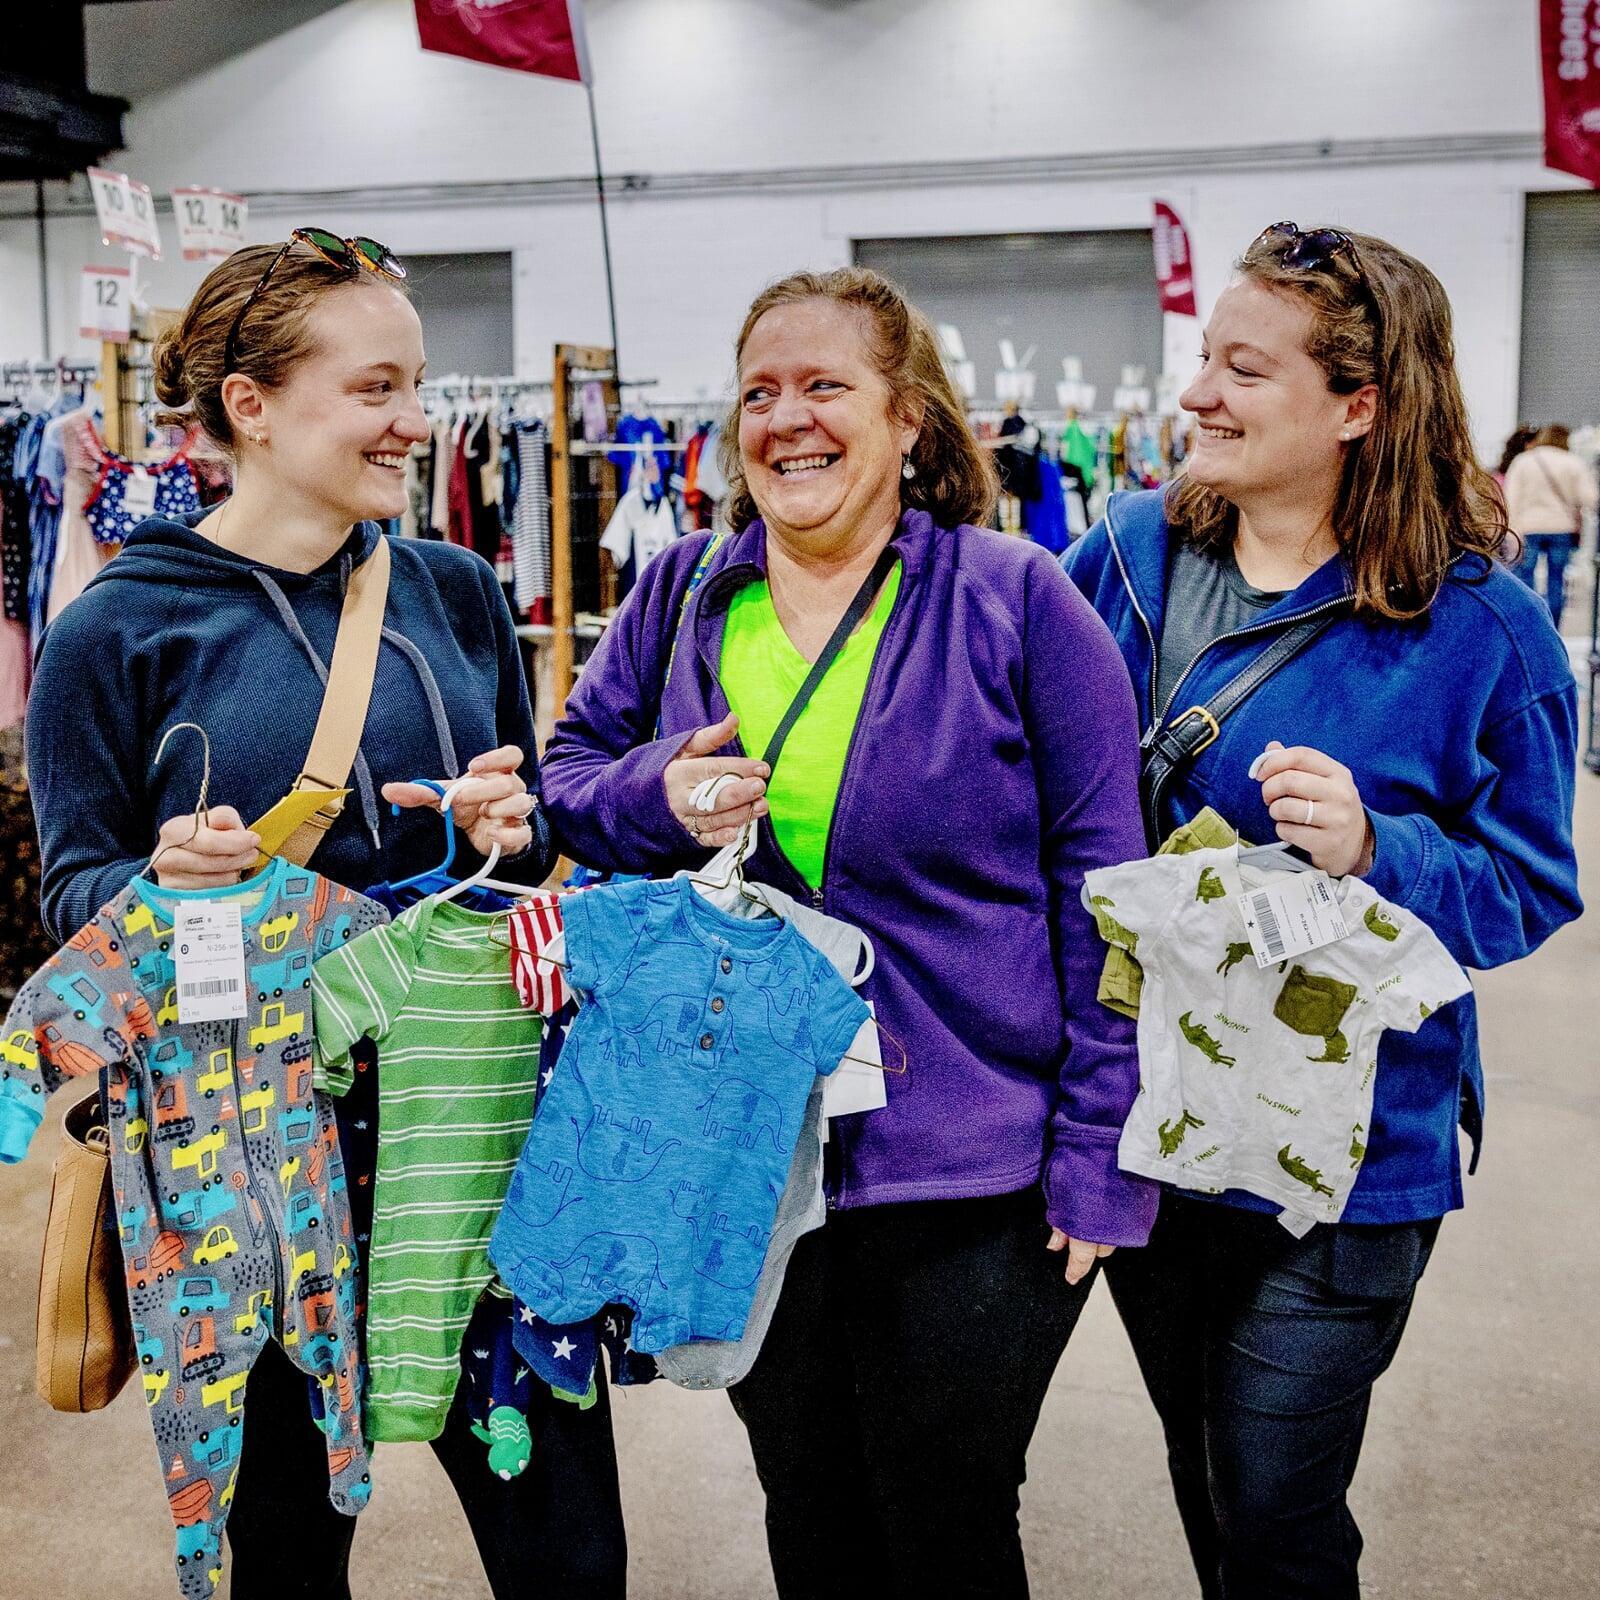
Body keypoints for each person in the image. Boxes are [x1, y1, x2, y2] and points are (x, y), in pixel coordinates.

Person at [539, 266, 1156, 1598]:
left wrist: (1104, 1153)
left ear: (910, 423)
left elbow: (1108, 894)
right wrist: (659, 790)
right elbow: (568, 778)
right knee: (806, 1500)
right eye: (759, 393)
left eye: (826, 386)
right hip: (746, 1152)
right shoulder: (686, 595)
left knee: (944, 1513)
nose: (787, 420)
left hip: (970, 1167)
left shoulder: (1017, 599)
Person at [24, 235, 625, 1600]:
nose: (416, 421)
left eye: (415, 384)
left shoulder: (460, 597)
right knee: (292, 1553)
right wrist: (160, 886)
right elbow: (71, 911)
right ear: (253, 407)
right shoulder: (112, 633)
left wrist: (513, 840)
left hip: (473, 1146)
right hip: (254, 1171)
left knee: (570, 1552)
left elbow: (529, 878)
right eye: (375, 389)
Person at [1063, 223, 1583, 1599]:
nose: (1198, 398)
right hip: (1157, 1115)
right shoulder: (1125, 560)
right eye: (1204, 364)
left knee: (1279, 1496)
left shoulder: (1481, 631)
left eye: (1244, 369)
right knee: (1208, 1469)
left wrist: (1377, 850)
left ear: (1359, 405)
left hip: (1351, 1157)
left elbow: (1533, 883)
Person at [1504, 422, 1597, 630]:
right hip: (1561, 528)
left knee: (1525, 580)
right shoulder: (1572, 462)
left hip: (1528, 528)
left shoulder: (1523, 461)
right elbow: (1590, 499)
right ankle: (1552, 629)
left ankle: (1529, 627)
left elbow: (1511, 496)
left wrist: (1513, 529)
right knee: (1557, 581)